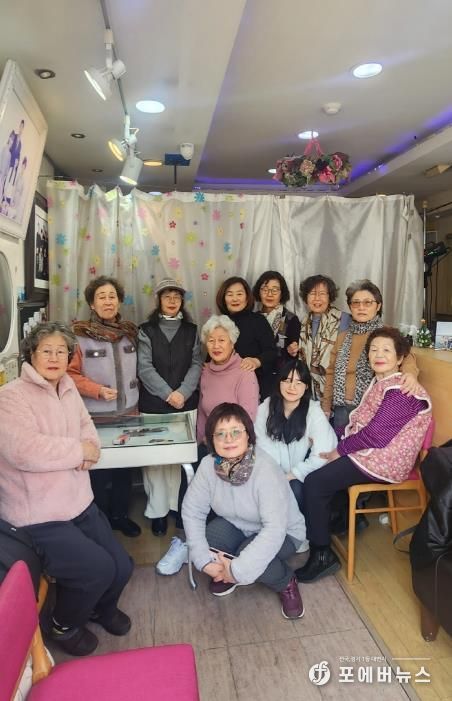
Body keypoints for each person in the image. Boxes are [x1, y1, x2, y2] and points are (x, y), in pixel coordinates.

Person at [0, 323, 133, 656]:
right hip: (39, 514)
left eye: (61, 351)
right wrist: (78, 451)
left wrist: (92, 447)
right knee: (97, 569)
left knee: (122, 565)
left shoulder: (68, 385)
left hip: (79, 500)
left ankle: (100, 609)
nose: (54, 357)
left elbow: (86, 427)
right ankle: (61, 624)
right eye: (46, 350)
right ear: (31, 354)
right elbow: (24, 451)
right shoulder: (10, 396)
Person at [296, 327, 432, 583]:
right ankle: (342, 520)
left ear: (400, 358)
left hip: (386, 461)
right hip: (374, 453)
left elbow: (376, 436)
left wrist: (339, 450)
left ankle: (322, 555)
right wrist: (330, 435)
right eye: (374, 350)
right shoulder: (382, 383)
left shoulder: (401, 391)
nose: (378, 355)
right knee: (318, 460)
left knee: (315, 482)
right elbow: (360, 424)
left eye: (386, 350)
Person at [156, 315, 259, 576]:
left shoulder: (244, 373)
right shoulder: (206, 371)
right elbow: (204, 412)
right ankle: (185, 540)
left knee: (212, 485)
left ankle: (207, 544)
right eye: (211, 340)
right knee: (188, 474)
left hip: (235, 448)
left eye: (222, 340)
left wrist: (221, 448)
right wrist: (200, 443)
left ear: (232, 342)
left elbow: (247, 420)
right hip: (210, 444)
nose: (216, 345)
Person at [182, 403, 306, 620]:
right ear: (211, 440)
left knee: (248, 555)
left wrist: (237, 569)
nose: (228, 439)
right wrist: (203, 560)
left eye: (236, 432)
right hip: (239, 525)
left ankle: (285, 581)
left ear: (248, 435)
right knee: (210, 538)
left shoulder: (265, 469)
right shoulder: (208, 466)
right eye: (220, 434)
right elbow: (192, 511)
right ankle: (230, 571)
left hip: (284, 532)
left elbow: (274, 530)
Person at [68, 276, 141, 538]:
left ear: (119, 301)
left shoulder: (130, 333)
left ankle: (120, 516)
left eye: (112, 296)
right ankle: (99, 524)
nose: (108, 301)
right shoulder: (78, 335)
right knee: (97, 472)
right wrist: (96, 390)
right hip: (95, 418)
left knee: (124, 471)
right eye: (101, 297)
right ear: (92, 303)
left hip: (129, 414)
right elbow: (69, 374)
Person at [138, 278, 202, 536]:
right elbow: (144, 367)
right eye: (167, 296)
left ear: (182, 301)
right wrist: (168, 394)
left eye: (177, 296)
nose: (173, 300)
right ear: (159, 300)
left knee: (180, 461)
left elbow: (197, 364)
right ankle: (158, 512)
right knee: (155, 462)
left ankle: (177, 507)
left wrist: (183, 393)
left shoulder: (192, 330)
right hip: (154, 405)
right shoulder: (146, 330)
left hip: (186, 404)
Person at [320, 279, 419, 433]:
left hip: (372, 406)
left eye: (368, 303)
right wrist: (326, 406)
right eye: (356, 303)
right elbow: (331, 372)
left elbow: (407, 356)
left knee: (364, 445)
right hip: (341, 407)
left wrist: (410, 374)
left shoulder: (387, 333)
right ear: (350, 307)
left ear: (378, 306)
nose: (361, 307)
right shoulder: (343, 337)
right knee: (341, 443)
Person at [255, 359, 337, 513]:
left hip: (304, 474)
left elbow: (322, 454)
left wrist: (292, 475)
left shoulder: (314, 412)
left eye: (298, 383)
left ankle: (297, 527)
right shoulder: (266, 408)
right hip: (272, 471)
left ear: (306, 386)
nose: (292, 387)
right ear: (279, 383)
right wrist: (276, 475)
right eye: (287, 381)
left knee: (294, 489)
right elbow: (261, 444)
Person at [287, 274, 350, 401]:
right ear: (306, 298)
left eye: (322, 294)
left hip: (337, 391)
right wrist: (293, 350)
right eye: (312, 294)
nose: (317, 298)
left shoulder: (344, 319)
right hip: (308, 389)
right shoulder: (304, 322)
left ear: (330, 296)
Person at [216, 276, 277, 399]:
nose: (235, 299)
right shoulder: (218, 323)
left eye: (239, 294)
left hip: (255, 385)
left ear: (247, 297)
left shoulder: (258, 320)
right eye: (230, 294)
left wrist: (256, 361)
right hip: (224, 385)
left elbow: (271, 352)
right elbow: (211, 356)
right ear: (223, 298)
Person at [252, 270, 301, 369]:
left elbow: (295, 350)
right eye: (265, 289)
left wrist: (293, 350)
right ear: (258, 292)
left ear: (282, 293)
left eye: (275, 290)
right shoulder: (253, 318)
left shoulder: (290, 319)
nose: (269, 294)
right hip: (256, 371)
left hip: (282, 373)